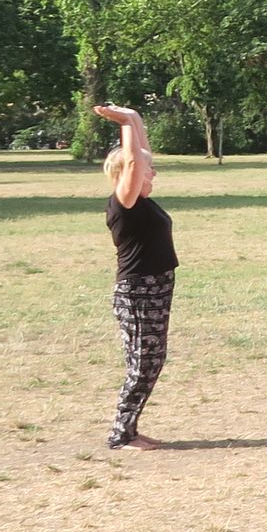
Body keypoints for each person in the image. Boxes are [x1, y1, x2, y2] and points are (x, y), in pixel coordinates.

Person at [93, 105, 177, 450]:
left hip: (156, 289)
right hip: (139, 291)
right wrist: (126, 124)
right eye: (148, 170)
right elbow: (133, 161)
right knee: (143, 365)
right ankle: (121, 434)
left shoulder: (141, 201)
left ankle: (130, 429)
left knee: (151, 362)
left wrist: (134, 118)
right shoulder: (123, 202)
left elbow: (140, 155)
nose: (152, 173)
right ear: (129, 174)